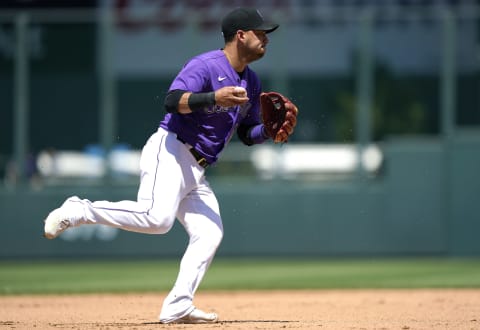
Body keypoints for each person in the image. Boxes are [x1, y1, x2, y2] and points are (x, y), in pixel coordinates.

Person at [44, 7, 280, 324]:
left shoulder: (251, 81)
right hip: (171, 150)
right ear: (240, 35)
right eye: (260, 32)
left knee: (209, 234)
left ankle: (177, 306)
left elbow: (245, 134)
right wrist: (213, 98)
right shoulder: (206, 65)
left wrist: (267, 131)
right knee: (157, 219)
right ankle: (79, 209)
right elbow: (172, 101)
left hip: (197, 168)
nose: (266, 38)